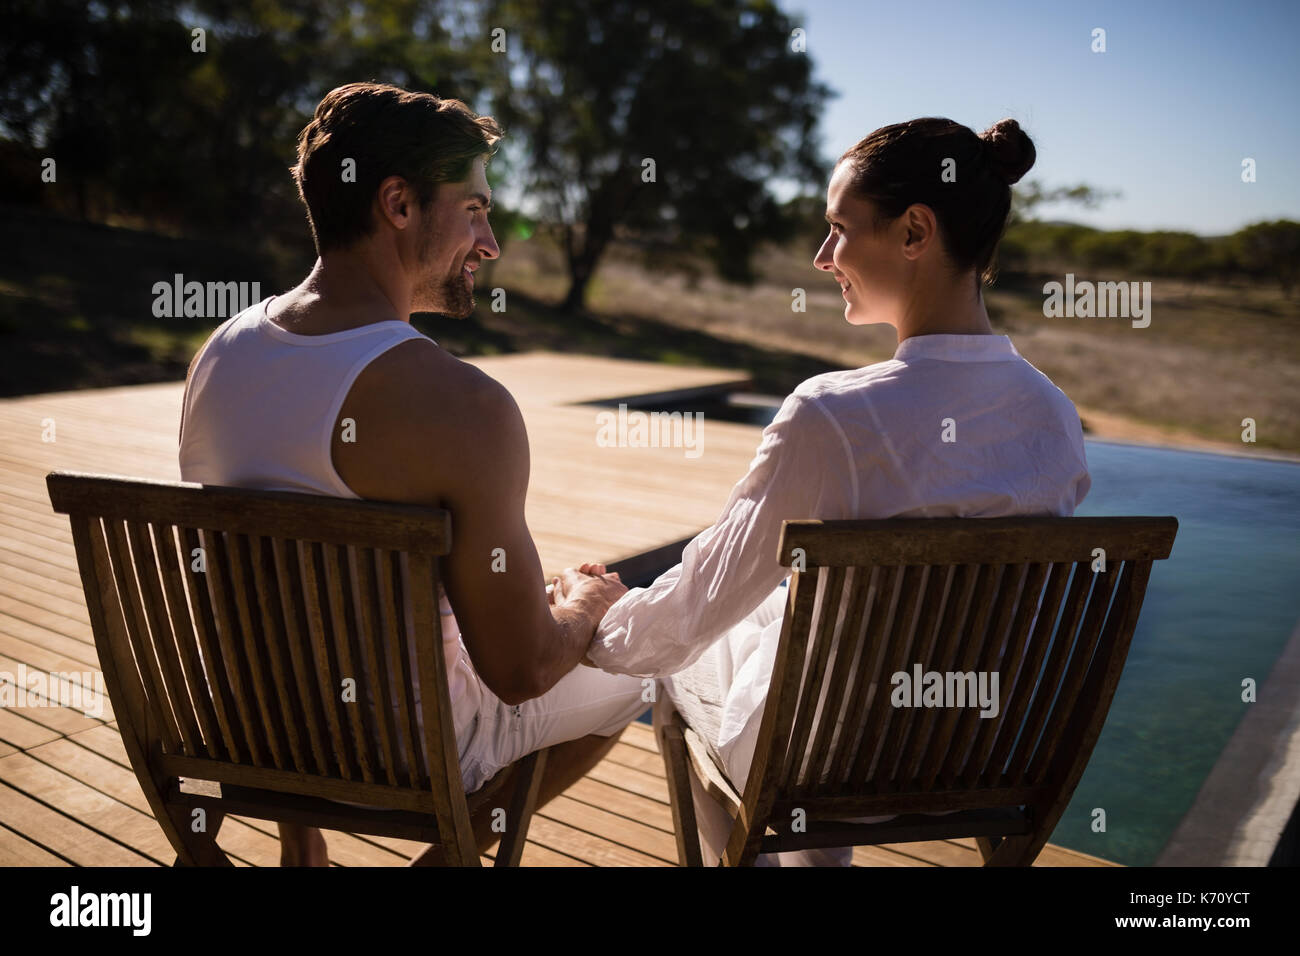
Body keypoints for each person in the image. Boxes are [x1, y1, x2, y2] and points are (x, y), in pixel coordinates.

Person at [580, 117, 1092, 865]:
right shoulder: (1054, 415)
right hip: (984, 754)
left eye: (838, 230)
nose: (823, 258)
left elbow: (700, 602)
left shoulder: (833, 415)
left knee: (682, 656)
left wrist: (604, 625)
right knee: (766, 627)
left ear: (916, 231)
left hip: (826, 763)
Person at [178, 82, 649, 866]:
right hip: (405, 754)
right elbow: (524, 669)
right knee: (643, 670)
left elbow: (271, 582)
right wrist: (586, 605)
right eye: (474, 209)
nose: (491, 241)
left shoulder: (221, 355)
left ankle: (304, 849)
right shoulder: (467, 406)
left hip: (252, 734)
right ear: (398, 204)